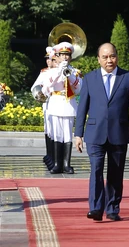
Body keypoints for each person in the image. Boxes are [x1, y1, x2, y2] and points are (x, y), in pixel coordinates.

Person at [74, 42, 129, 222]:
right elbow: (82, 108)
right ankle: (95, 208)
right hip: (95, 133)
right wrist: (78, 134)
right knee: (96, 169)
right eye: (104, 57)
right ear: (98, 59)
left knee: (115, 172)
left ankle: (112, 208)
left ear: (117, 57)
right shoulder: (90, 78)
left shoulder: (127, 78)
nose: (109, 60)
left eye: (112, 56)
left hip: (119, 132)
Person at [42, 42, 82, 174]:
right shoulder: (51, 71)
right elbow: (47, 86)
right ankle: (57, 164)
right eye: (62, 55)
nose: (65, 58)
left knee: (67, 135)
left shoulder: (75, 71)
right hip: (55, 104)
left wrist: (69, 75)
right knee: (57, 135)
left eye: (67, 55)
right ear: (57, 57)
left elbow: (79, 88)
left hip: (68, 104)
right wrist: (59, 72)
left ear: (70, 57)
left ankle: (66, 164)